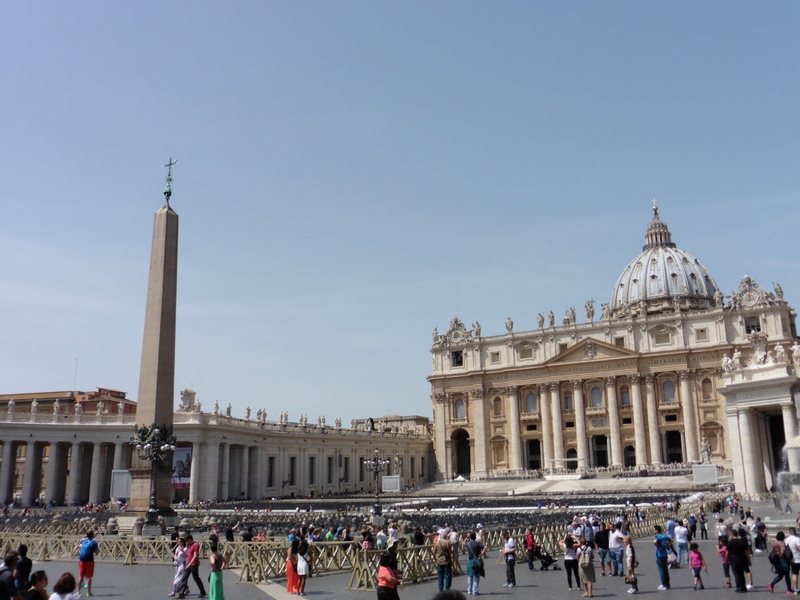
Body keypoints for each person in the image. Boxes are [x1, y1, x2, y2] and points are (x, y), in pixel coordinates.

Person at [177, 534, 206, 599]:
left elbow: (195, 556)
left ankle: (202, 592)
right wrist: (183, 551)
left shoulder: (195, 545)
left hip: (193, 565)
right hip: (189, 564)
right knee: (184, 578)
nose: (186, 542)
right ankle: (181, 594)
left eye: (186, 540)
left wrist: (189, 564)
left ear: (190, 539)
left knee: (196, 578)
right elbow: (188, 555)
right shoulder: (189, 545)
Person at [726, 528, 750, 593]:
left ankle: (738, 587)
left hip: (734, 559)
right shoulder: (742, 542)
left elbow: (727, 553)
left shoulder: (730, 543)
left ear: (732, 534)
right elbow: (746, 552)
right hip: (742, 558)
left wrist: (726, 559)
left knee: (736, 573)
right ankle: (743, 587)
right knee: (741, 573)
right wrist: (749, 560)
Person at [75, 531, 98, 597]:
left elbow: (79, 544)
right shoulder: (94, 543)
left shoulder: (83, 540)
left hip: (82, 560)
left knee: (81, 576)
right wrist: (95, 550)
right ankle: (88, 592)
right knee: (88, 577)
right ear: (92, 535)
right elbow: (96, 553)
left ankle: (78, 592)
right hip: (89, 561)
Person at [464, 532, 484, 596]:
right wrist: (481, 554)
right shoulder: (478, 543)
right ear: (475, 537)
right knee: (477, 576)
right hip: (477, 560)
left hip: (470, 561)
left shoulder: (467, 543)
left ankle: (469, 590)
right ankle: (474, 591)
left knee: (470, 576)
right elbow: (485, 547)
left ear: (470, 537)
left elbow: (462, 544)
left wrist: (467, 538)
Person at [653, 525, 671, 590]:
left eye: (654, 529)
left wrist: (658, 546)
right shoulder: (665, 536)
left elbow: (654, 542)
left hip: (659, 555)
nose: (653, 531)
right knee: (665, 570)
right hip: (665, 554)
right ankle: (667, 583)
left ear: (657, 530)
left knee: (661, 570)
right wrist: (668, 546)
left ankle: (663, 584)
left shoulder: (658, 537)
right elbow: (671, 540)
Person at [784, 527, 800, 594]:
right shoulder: (797, 539)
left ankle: (796, 589)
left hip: (792, 560)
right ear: (795, 531)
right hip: (798, 558)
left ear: (789, 532)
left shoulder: (786, 540)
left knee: (794, 574)